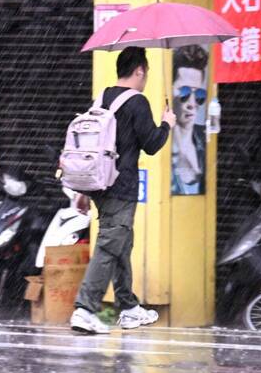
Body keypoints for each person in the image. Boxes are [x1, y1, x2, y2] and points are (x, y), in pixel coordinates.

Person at [70, 46, 176, 334]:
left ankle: (128, 308)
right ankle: (85, 308)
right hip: (121, 185)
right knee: (109, 245)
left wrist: (83, 191)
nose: (146, 79)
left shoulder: (102, 98)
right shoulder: (137, 102)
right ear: (139, 70)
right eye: (146, 73)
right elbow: (152, 144)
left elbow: (92, 146)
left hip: (100, 185)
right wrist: (167, 125)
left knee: (121, 244)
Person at [171, 46, 208, 195]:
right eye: (184, 92)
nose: (192, 104)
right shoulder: (158, 139)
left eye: (199, 94)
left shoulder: (205, 139)